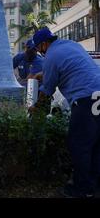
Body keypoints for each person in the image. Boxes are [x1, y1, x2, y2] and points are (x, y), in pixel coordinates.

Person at [32, 27, 100, 198]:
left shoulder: (50, 57)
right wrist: (44, 74)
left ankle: (81, 189)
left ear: (44, 44)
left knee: (79, 144)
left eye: (39, 48)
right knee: (96, 144)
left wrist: (35, 109)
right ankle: (94, 186)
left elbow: (47, 91)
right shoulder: (70, 45)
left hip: (85, 98)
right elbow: (69, 66)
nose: (40, 53)